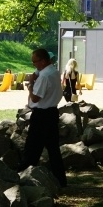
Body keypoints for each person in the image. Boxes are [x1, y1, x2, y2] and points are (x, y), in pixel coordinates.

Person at [18, 49, 68, 187]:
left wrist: (30, 86)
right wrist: (35, 75)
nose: (34, 65)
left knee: (32, 147)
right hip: (52, 113)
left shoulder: (45, 76)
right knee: (53, 149)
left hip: (41, 115)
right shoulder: (53, 71)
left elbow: (35, 97)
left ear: (43, 61)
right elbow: (37, 72)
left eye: (35, 61)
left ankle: (24, 176)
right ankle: (60, 179)